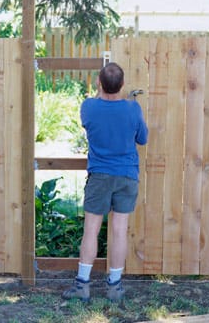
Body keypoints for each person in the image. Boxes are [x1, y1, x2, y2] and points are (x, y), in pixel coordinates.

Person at [62, 62, 148, 303]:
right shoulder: (133, 110)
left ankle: (82, 286)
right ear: (122, 85)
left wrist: (106, 94)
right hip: (126, 176)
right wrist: (132, 105)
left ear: (99, 83)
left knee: (91, 230)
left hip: (99, 176)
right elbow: (143, 139)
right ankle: (114, 287)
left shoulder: (88, 107)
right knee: (119, 231)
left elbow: (98, 112)